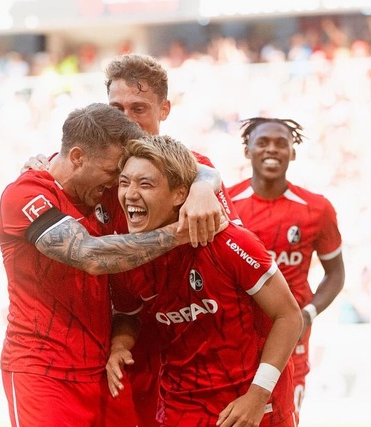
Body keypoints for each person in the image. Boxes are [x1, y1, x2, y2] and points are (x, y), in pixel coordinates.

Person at [22, 53, 241, 426]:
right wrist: (39, 166)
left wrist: (206, 183)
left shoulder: (191, 172)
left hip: (199, 344)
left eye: (138, 107)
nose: (126, 118)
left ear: (165, 109)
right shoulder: (96, 176)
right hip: (124, 342)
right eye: (116, 107)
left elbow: (235, 266)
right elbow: (56, 184)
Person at [106, 134, 303, 426]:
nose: (130, 194)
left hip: (247, 409)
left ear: (179, 194)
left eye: (145, 184)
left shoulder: (227, 241)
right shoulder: (129, 258)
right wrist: (120, 345)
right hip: (180, 411)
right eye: (124, 183)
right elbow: (127, 314)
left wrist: (257, 396)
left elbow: (289, 316)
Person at [227, 117, 346, 424]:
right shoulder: (225, 204)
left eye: (282, 143)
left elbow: (335, 273)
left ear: (293, 152)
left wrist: (308, 313)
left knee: (285, 419)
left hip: (291, 335)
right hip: (235, 336)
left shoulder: (316, 209)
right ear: (247, 150)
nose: (272, 149)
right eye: (263, 142)